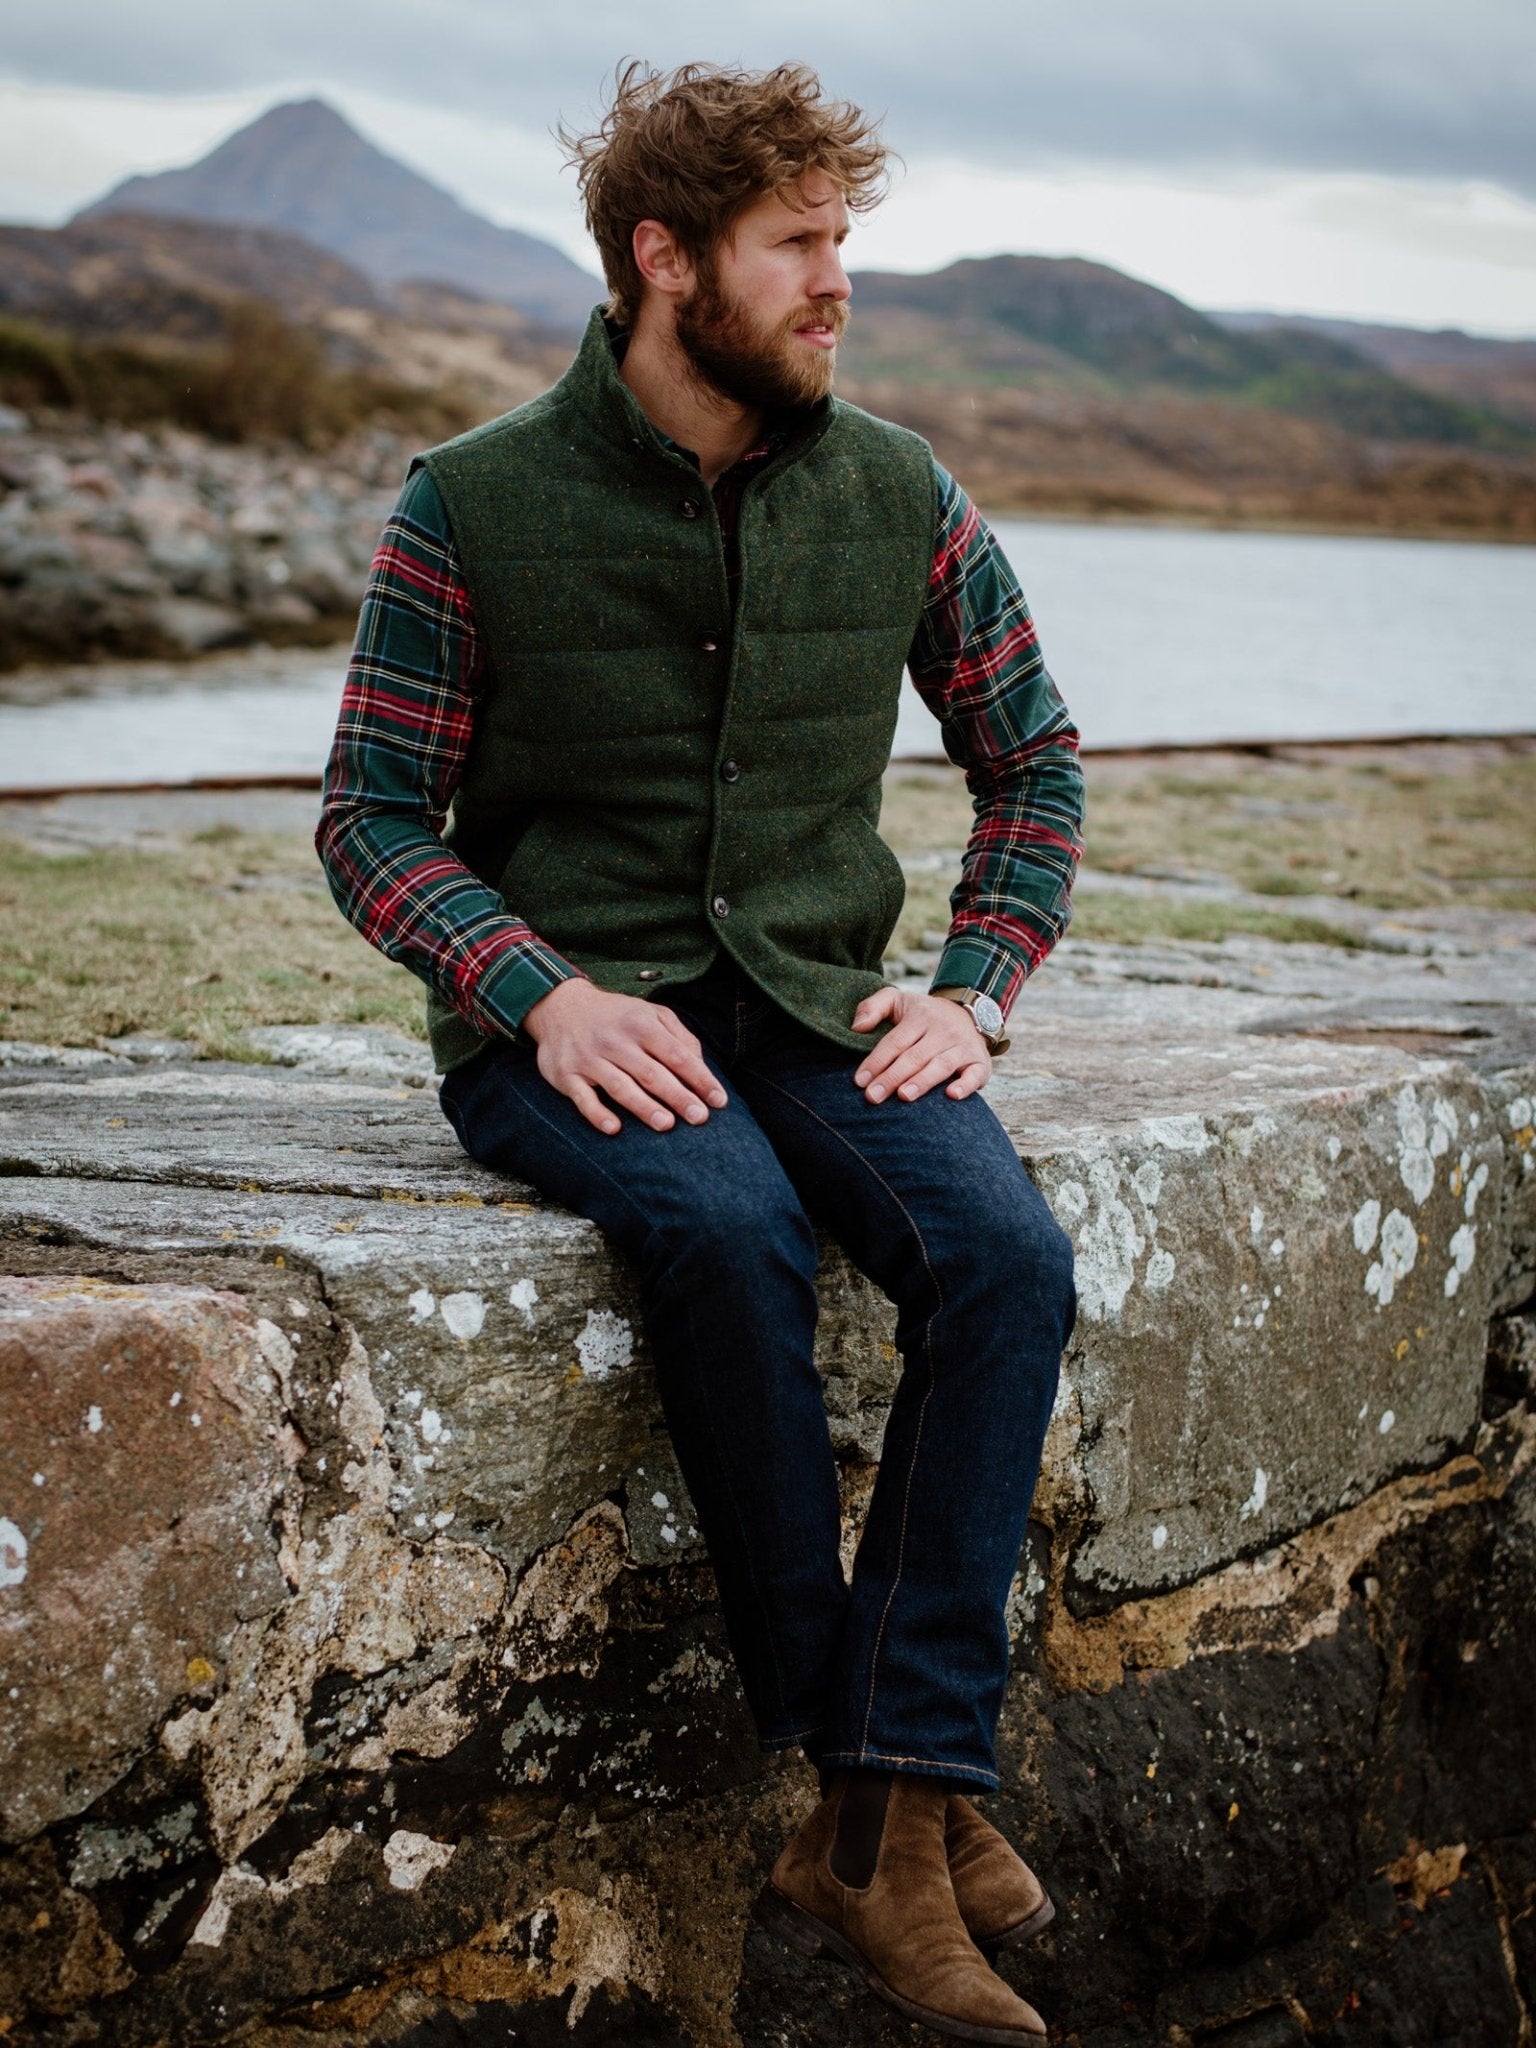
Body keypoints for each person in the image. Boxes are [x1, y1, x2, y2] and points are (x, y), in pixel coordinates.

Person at [317, 59, 1082, 2045]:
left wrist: (978, 980)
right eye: (800, 246)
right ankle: (891, 1819)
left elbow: (1037, 761)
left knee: (1006, 1255)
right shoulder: (470, 500)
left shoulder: (901, 490)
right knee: (726, 1230)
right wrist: (540, 988)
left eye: (846, 241)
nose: (841, 284)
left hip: (828, 1009)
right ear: (668, 263)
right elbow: (373, 818)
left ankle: (873, 1814)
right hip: (562, 1030)